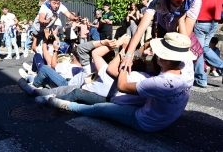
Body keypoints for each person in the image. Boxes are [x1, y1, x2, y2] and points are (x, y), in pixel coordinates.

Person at [48, 32, 196, 133]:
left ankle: (67, 105)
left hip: (146, 122)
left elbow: (122, 85)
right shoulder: (188, 67)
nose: (155, 53)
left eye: (158, 52)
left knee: (100, 109)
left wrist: (126, 58)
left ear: (164, 59)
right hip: (166, 118)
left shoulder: (158, 83)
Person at [121, 0, 202, 73]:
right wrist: (128, 55)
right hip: (163, 27)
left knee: (179, 60)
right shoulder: (158, 0)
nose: (181, 0)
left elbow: (184, 39)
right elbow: (140, 30)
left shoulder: (194, 0)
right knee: (161, 59)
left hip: (181, 29)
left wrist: (181, 20)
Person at [193, 0, 223, 87]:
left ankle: (201, 79)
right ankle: (221, 66)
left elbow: (195, 3)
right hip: (214, 21)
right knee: (205, 48)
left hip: (201, 20)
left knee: (199, 50)